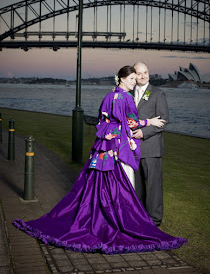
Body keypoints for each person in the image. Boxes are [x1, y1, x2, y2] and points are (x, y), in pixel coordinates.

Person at [13, 66, 186, 254]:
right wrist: (149, 121)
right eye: (131, 79)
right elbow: (131, 123)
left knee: (99, 184)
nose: (134, 82)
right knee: (121, 185)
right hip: (118, 149)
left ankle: (103, 217)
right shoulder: (126, 98)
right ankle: (120, 221)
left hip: (104, 148)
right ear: (121, 78)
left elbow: (102, 120)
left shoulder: (109, 96)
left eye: (136, 80)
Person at [132, 62, 169, 227]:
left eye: (145, 72)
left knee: (153, 186)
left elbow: (163, 121)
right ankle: (140, 215)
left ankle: (154, 219)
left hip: (151, 147)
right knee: (137, 185)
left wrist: (144, 132)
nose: (143, 75)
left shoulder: (158, 93)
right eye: (139, 73)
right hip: (134, 149)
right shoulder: (129, 92)